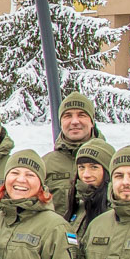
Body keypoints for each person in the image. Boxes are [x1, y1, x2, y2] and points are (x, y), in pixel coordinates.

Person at [43, 92, 102, 220]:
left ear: (92, 121)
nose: (75, 121)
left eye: (82, 115)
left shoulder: (109, 160)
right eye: (67, 116)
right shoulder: (45, 164)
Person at [67, 138, 114, 236]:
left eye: (94, 167)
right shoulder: (78, 202)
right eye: (81, 167)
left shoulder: (115, 208)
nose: (86, 174)